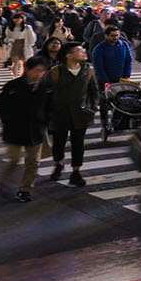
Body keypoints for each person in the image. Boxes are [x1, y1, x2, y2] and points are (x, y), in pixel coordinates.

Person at [0, 56, 50, 202]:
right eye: (37, 71)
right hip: (14, 129)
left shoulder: (45, 88)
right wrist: (8, 120)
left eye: (42, 71)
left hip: (35, 129)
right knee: (14, 159)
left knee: (33, 161)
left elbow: (50, 107)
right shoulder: (13, 86)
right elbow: (1, 105)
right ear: (28, 69)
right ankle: (3, 182)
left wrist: (46, 122)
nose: (39, 74)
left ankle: (25, 189)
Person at [46, 43, 98, 188]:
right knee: (58, 142)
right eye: (79, 51)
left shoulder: (87, 71)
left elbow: (94, 92)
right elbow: (45, 91)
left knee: (78, 144)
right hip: (59, 114)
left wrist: (92, 108)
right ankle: (58, 163)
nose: (84, 53)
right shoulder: (55, 72)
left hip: (80, 114)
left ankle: (76, 172)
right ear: (69, 55)